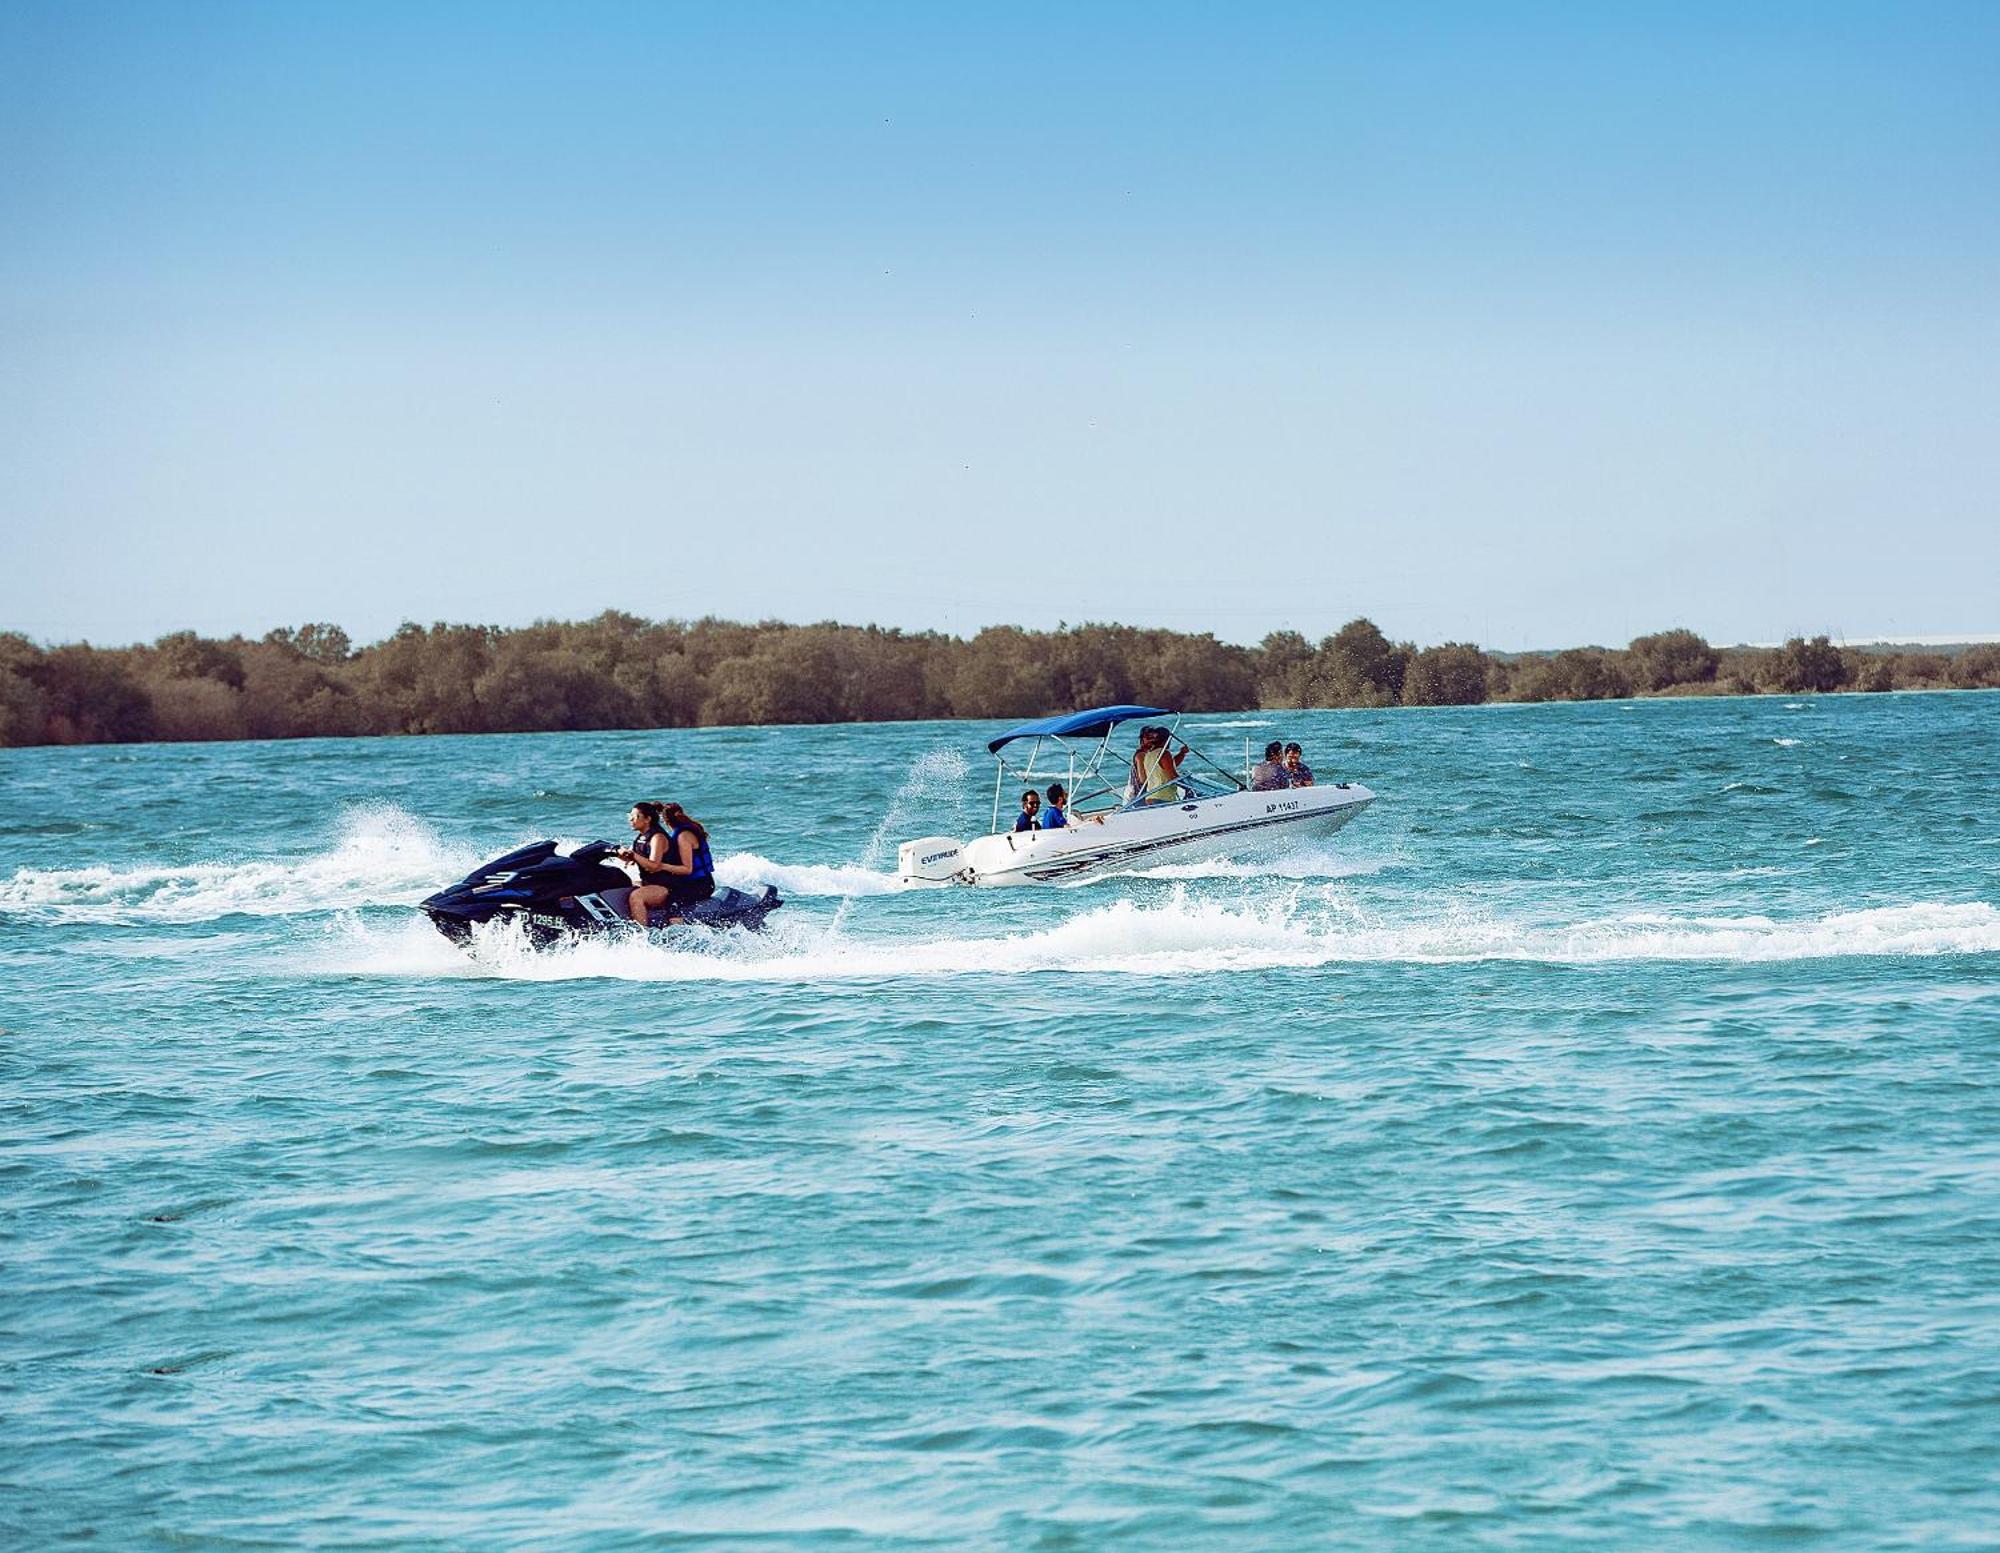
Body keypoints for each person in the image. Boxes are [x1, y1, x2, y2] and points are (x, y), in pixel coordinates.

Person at [619, 799, 716, 924]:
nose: (630, 819)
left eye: (634, 816)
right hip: (682, 883)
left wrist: (661, 866)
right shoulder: (645, 837)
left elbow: (686, 869)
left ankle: (644, 935)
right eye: (629, 816)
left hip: (698, 885)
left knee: (671, 912)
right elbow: (643, 856)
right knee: (624, 883)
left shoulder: (680, 837)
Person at [1130, 725, 1189, 803]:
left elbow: (1165, 767)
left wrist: (1182, 753)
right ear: (1167, 739)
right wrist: (1188, 787)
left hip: (1150, 797)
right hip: (1163, 797)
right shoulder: (1164, 753)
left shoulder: (1149, 754)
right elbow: (1173, 776)